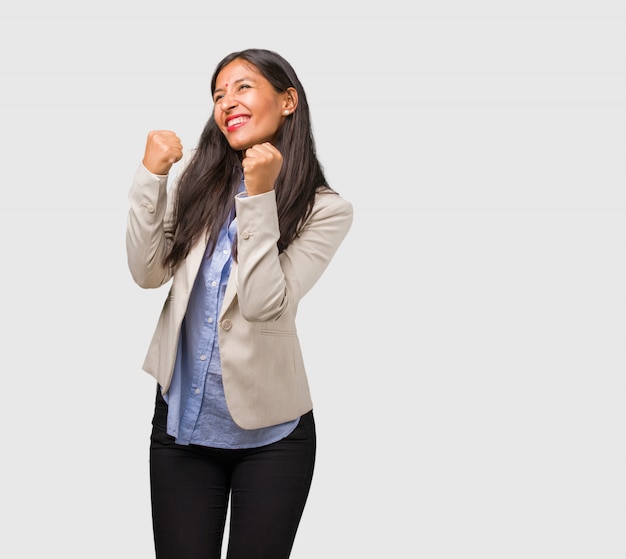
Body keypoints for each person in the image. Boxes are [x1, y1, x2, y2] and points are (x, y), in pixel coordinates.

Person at [125, 48, 353, 559]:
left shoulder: (327, 209)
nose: (227, 101)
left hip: (273, 438)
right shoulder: (195, 181)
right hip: (181, 429)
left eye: (243, 87)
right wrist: (151, 177)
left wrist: (258, 198)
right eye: (218, 93)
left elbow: (263, 304)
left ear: (288, 100)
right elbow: (147, 273)